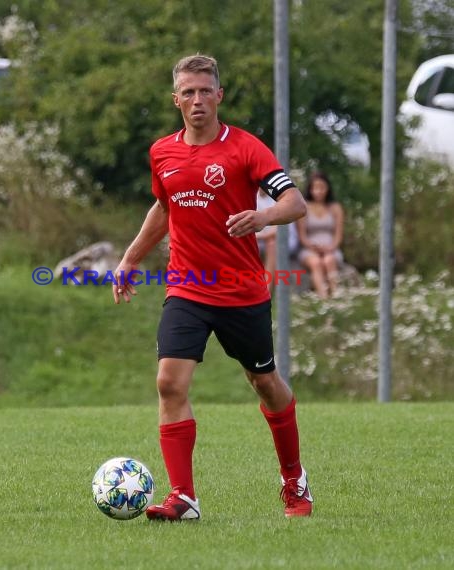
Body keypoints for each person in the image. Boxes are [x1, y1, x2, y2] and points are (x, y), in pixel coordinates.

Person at [112, 54, 312, 521]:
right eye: (188, 92)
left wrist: (263, 215)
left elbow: (295, 202)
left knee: (264, 382)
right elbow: (163, 209)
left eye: (205, 91)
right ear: (175, 99)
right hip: (187, 287)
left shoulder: (245, 149)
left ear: (219, 96)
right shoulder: (162, 151)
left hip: (242, 292)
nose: (197, 99)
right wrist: (130, 258)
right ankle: (183, 498)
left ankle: (294, 480)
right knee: (169, 382)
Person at [296, 172, 345, 298]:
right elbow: (302, 236)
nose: (318, 191)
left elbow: (338, 235)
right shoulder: (304, 207)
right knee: (316, 263)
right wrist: (313, 247)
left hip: (331, 248)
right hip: (309, 249)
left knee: (329, 260)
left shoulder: (335, 208)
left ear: (327, 188)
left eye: (322, 187)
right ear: (310, 189)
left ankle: (335, 294)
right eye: (315, 188)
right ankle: (323, 298)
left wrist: (330, 247)